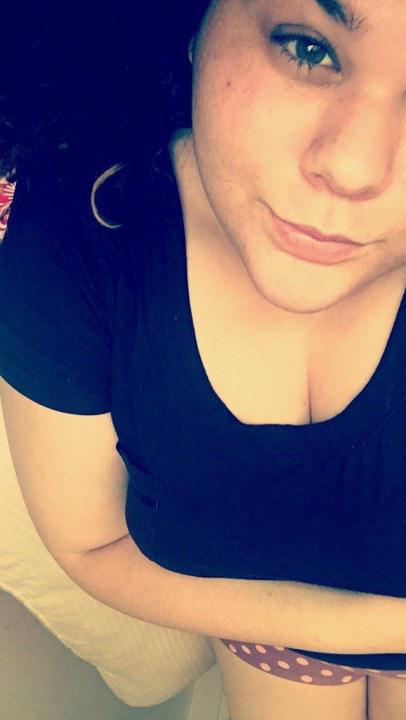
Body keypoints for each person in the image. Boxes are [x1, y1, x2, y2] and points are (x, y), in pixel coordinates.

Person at [1, 1, 406, 718]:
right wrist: (374, 630)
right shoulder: (77, 229)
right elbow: (94, 544)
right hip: (267, 644)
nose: (354, 168)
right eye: (307, 49)